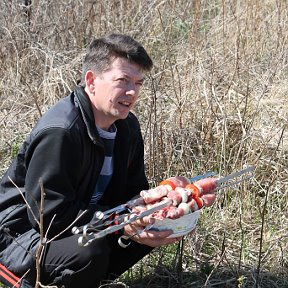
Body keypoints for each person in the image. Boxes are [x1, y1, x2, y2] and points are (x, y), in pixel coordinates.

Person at [0, 33, 183, 288]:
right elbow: (49, 218)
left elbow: (133, 192)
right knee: (89, 252)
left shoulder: (127, 126)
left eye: (139, 83)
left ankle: (90, 280)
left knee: (156, 225)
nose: (132, 91)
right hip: (19, 235)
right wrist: (120, 223)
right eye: (122, 80)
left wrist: (149, 213)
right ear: (91, 80)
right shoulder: (61, 131)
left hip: (83, 223)